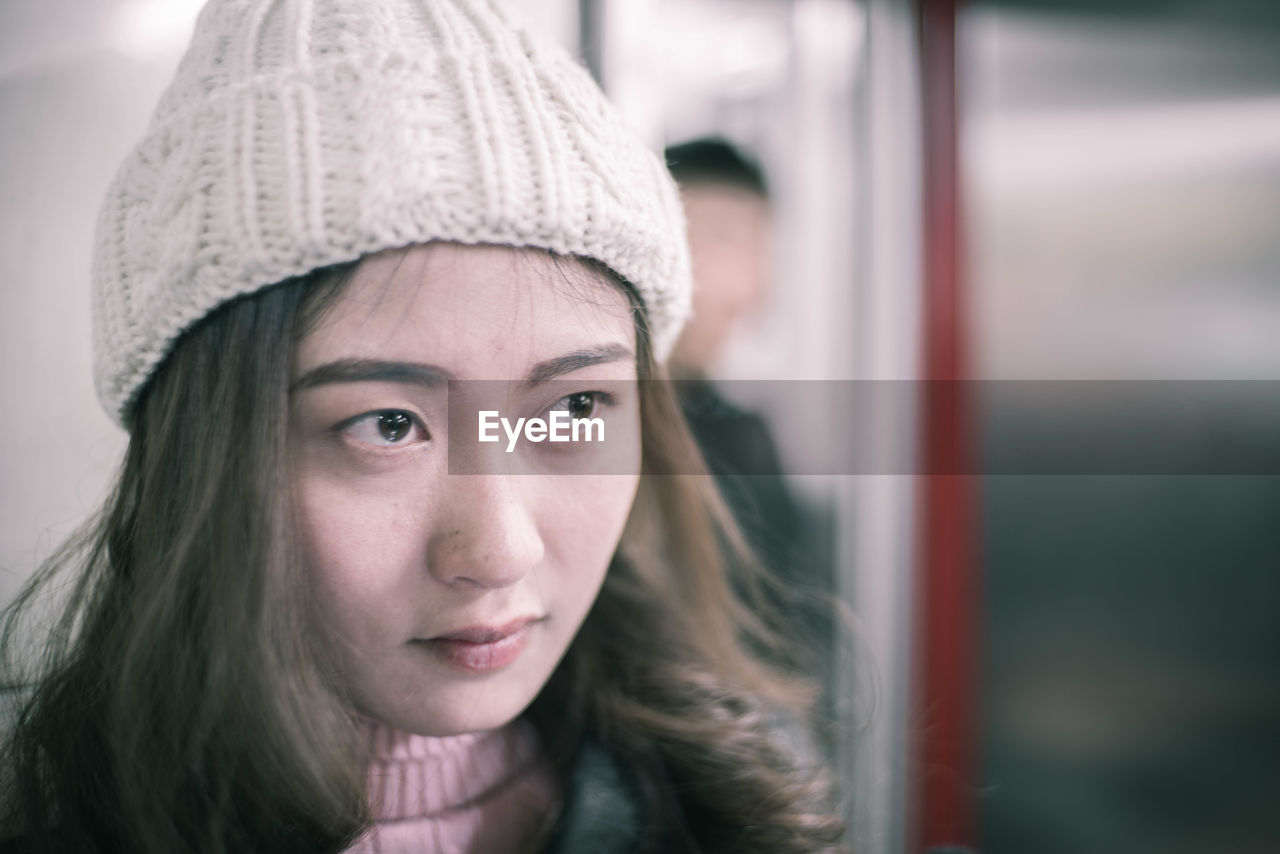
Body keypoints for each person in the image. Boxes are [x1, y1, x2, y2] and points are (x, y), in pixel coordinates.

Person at [0, 2, 845, 853]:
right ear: (204, 456)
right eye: (389, 425)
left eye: (575, 408)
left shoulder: (738, 789)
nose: (499, 552)